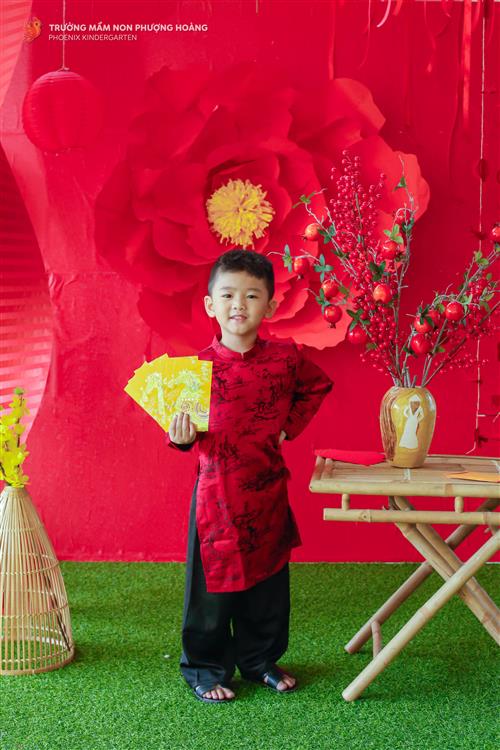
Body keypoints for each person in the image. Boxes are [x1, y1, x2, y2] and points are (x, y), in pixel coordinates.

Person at [168, 249, 333, 703]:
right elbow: (183, 433)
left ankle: (260, 661)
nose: (239, 304)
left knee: (268, 586)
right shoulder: (195, 370)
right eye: (227, 295)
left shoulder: (286, 359)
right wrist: (181, 436)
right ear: (210, 305)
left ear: (271, 306)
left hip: (267, 491)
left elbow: (317, 386)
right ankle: (204, 668)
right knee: (210, 593)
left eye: (252, 295)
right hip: (215, 496)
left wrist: (287, 427)